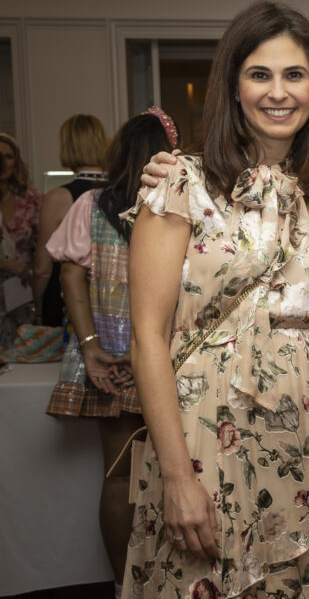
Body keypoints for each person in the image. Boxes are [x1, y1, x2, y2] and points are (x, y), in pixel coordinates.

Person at [124, 0, 309, 597]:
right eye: (260, 74)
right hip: (203, 443)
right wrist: (177, 476)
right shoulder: (179, 184)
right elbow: (147, 340)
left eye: (294, 74)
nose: (278, 92)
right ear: (233, 88)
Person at [44, 108, 178, 594]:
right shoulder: (180, 204)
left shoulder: (91, 204)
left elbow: (70, 275)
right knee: (178, 472)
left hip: (110, 359)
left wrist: (92, 346)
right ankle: (165, 582)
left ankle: (125, 586)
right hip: (171, 359)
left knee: (120, 477)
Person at [33, 114, 107, 325]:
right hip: (110, 299)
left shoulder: (58, 198)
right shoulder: (122, 192)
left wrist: (37, 309)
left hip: (66, 303)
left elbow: (42, 269)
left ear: (67, 146)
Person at [0, 133, 41, 287]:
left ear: (16, 162)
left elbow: (43, 246)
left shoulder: (31, 199)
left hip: (22, 286)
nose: (3, 163)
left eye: (9, 157)